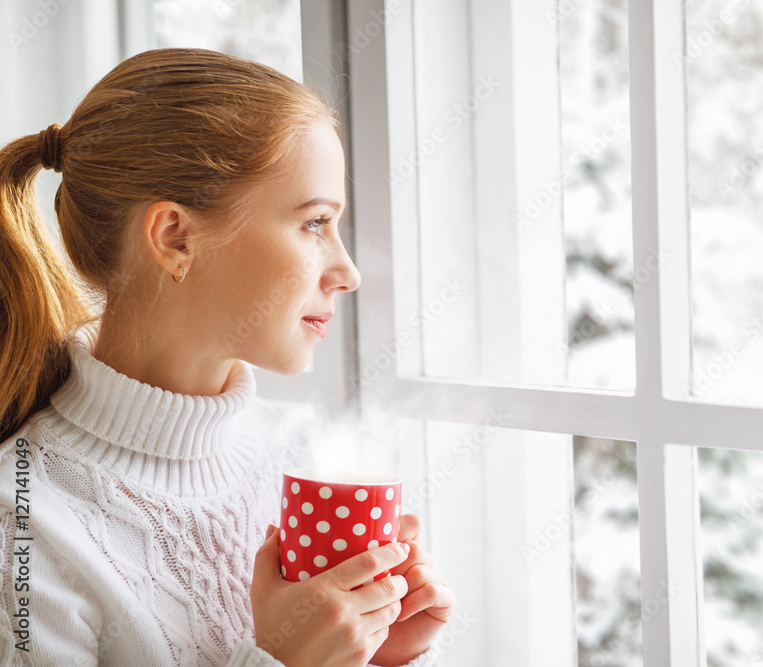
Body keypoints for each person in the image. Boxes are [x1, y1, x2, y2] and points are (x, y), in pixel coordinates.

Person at [0, 47, 454, 666]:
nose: (347, 272)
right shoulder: (23, 525)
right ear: (175, 238)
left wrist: (377, 655)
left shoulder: (295, 457)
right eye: (315, 223)